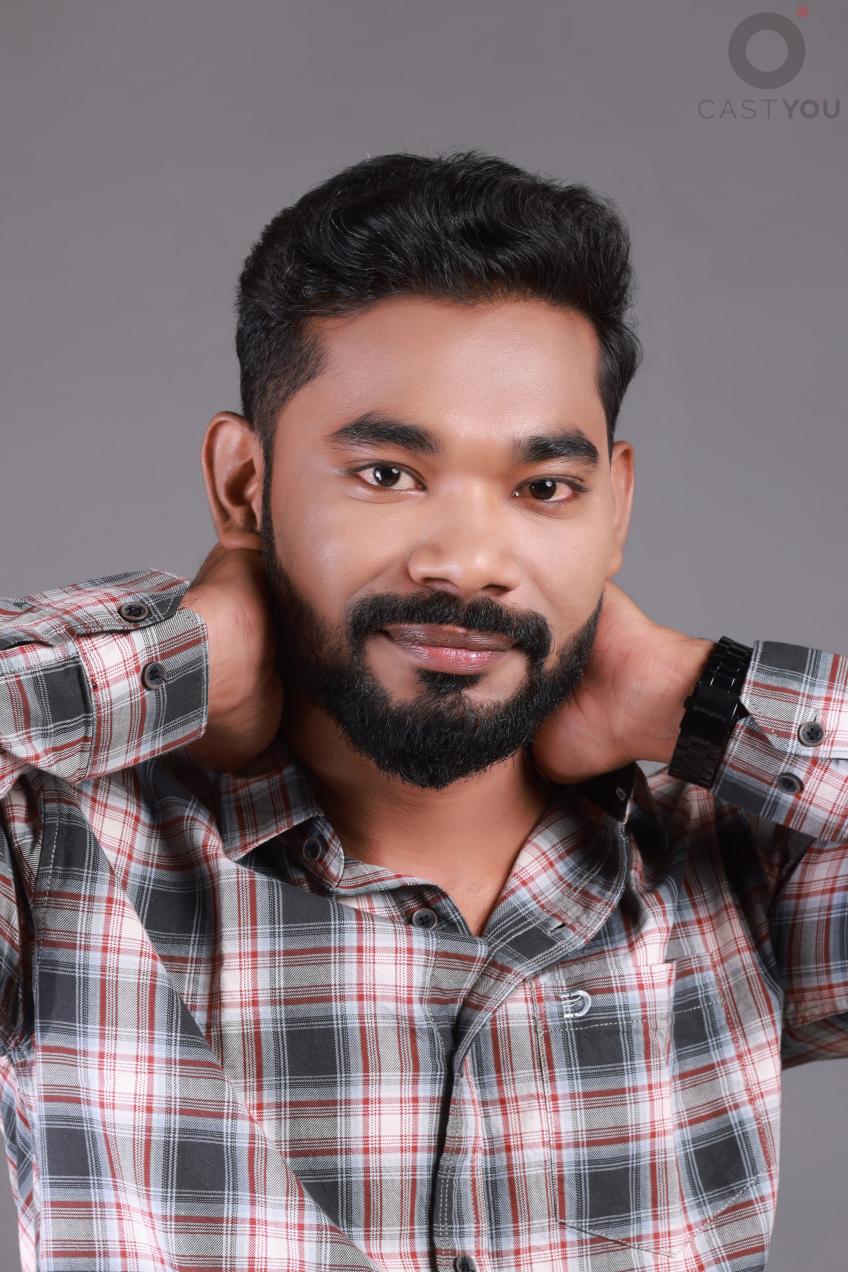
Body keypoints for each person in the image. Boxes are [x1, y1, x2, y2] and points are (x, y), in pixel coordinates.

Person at [0, 150, 845, 1272]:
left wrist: (694, 697)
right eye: (388, 474)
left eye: (544, 489)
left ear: (613, 508)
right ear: (245, 486)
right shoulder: (62, 847)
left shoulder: (742, 859)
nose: (467, 561)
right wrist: (184, 655)